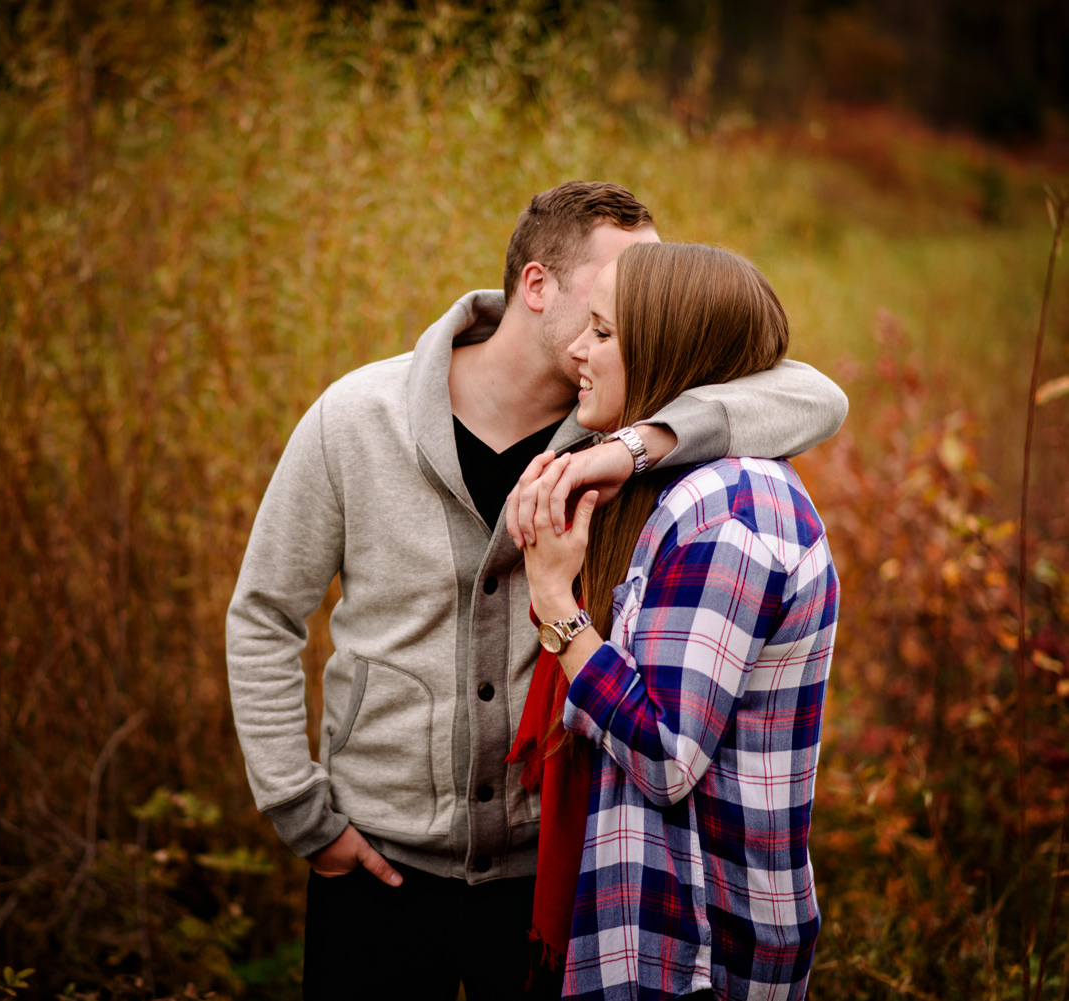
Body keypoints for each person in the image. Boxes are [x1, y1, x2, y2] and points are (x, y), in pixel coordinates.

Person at [225, 181, 847, 999]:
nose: (642, 305)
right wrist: (302, 811)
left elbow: (814, 395)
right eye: (617, 288)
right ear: (538, 286)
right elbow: (265, 614)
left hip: (549, 870)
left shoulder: (621, 418)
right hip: (375, 861)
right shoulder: (356, 418)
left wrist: (634, 448)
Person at [509, 242, 837, 1001]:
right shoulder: (680, 478)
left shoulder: (728, 512)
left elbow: (664, 753)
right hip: (658, 924)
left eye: (602, 331)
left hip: (700, 943)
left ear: (668, 350)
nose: (576, 350)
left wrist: (558, 605)